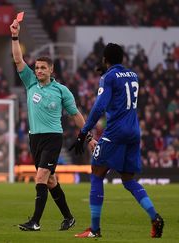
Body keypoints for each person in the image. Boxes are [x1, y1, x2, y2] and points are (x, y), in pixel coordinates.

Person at [71, 43, 164, 238]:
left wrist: (83, 132)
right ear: (122, 59)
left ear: (105, 59)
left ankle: (94, 230)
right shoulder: (133, 75)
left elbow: (99, 107)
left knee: (96, 173)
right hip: (134, 132)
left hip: (115, 132)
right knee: (129, 179)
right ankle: (155, 217)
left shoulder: (108, 77)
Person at [10, 18, 95, 232]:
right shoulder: (30, 82)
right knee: (50, 181)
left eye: (42, 68)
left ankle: (35, 222)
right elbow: (18, 60)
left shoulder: (62, 91)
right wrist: (15, 36)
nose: (38, 71)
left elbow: (75, 115)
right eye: (37, 67)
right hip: (34, 138)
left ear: (51, 69)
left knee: (40, 177)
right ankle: (69, 218)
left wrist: (88, 136)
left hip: (53, 138)